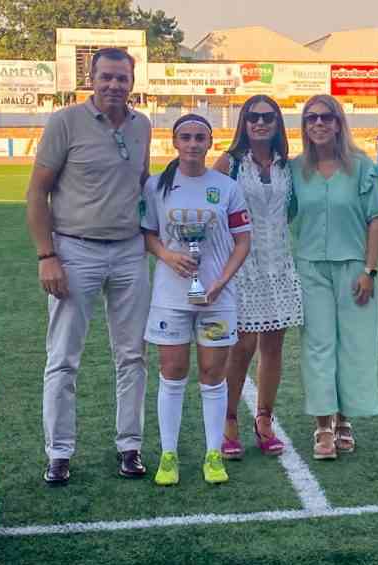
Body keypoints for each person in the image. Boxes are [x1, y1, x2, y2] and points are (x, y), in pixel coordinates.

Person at [26, 47, 152, 486]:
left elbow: (140, 184)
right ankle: (59, 452)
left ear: (132, 81)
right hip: (75, 251)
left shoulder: (143, 126)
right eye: (107, 77)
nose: (114, 85)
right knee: (63, 358)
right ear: (91, 79)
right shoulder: (65, 122)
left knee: (133, 355)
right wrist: (48, 255)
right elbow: (36, 193)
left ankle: (129, 446)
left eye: (122, 78)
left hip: (129, 251)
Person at [141, 114, 251, 485]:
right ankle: (168, 455)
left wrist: (220, 282)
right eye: (185, 137)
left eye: (199, 138)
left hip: (216, 299)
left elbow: (243, 241)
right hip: (170, 298)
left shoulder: (227, 186)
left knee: (212, 375)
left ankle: (213, 453)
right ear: (174, 142)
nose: (192, 144)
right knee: (172, 373)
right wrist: (169, 257)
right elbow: (149, 235)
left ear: (209, 143)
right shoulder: (157, 185)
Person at [290, 94, 378, 460]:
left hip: (353, 268)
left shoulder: (363, 168)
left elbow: (375, 219)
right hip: (310, 268)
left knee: (354, 344)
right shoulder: (295, 169)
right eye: (311, 118)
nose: (318, 123)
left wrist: (369, 270)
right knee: (318, 345)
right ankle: (322, 426)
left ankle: (346, 420)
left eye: (326, 117)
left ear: (338, 123)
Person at [213, 95, 302, 460]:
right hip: (243, 267)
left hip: (279, 264)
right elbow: (211, 207)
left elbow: (291, 211)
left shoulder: (287, 166)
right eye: (253, 117)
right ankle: (229, 419)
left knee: (274, 347)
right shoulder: (230, 163)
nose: (260, 123)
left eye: (268, 117)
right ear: (244, 123)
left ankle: (264, 419)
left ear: (278, 123)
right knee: (242, 347)